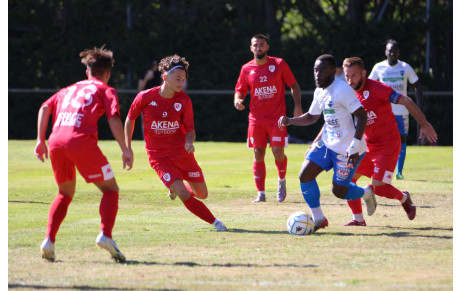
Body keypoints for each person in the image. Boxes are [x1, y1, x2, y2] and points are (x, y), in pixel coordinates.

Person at [34, 46, 133, 262]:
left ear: (87, 71)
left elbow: (44, 108)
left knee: (64, 193)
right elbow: (114, 118)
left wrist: (41, 140)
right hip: (80, 141)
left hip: (56, 141)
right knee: (110, 189)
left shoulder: (66, 90)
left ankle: (48, 241)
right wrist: (125, 149)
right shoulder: (105, 89)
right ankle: (106, 235)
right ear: (107, 73)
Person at [124, 54, 228, 232]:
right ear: (165, 77)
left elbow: (190, 131)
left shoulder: (184, 101)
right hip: (159, 157)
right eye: (178, 78)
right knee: (183, 193)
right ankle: (215, 222)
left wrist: (189, 142)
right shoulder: (145, 97)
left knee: (202, 194)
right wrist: (127, 148)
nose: (182, 82)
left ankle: (174, 185)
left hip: (182, 153)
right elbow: (130, 119)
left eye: (184, 79)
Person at [278, 54, 377, 233]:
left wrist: (354, 145)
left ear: (333, 72)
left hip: (348, 148)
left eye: (323, 71)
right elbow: (312, 116)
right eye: (316, 70)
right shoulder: (319, 91)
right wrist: (291, 120)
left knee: (338, 191)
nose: (318, 74)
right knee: (304, 175)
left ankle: (367, 193)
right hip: (328, 143)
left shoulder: (343, 90)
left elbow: (362, 115)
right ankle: (319, 219)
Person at [342, 57, 437, 226]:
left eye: (354, 75)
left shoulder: (377, 88)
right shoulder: (348, 92)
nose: (350, 80)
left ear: (363, 73)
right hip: (367, 145)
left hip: (388, 144)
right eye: (347, 76)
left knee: (379, 187)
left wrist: (425, 124)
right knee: (345, 180)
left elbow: (406, 100)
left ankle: (404, 198)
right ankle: (358, 219)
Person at [234, 34, 302, 203]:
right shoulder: (246, 69)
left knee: (278, 152)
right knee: (258, 153)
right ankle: (261, 194)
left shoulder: (278, 64)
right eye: (255, 45)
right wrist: (238, 100)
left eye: (262, 45)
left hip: (277, 118)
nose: (259, 48)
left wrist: (298, 106)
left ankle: (281, 181)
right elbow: (240, 89)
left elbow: (293, 85)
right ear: (251, 48)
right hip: (256, 119)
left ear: (267, 47)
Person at [368, 39, 423, 180]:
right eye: (390, 51)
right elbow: (369, 85)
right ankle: (381, 168)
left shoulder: (405, 67)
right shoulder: (378, 67)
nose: (393, 53)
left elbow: (418, 85)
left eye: (395, 51)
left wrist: (418, 106)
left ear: (399, 52)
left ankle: (399, 172)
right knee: (382, 140)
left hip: (402, 112)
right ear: (386, 52)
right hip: (383, 113)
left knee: (402, 140)